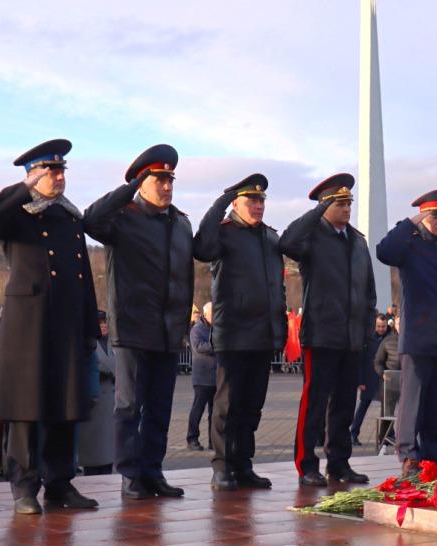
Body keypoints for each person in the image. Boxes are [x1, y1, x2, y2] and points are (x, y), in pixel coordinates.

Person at [0, 138, 100, 514]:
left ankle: (60, 484)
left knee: (65, 405)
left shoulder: (70, 216)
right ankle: (24, 487)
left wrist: (90, 326)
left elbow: (83, 276)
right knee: (26, 410)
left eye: (61, 171)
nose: (58, 178)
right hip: (29, 325)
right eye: (50, 171)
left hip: (67, 322)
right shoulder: (17, 214)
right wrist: (25, 187)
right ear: (33, 174)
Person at [84, 144, 192, 500]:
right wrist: (129, 187)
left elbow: (184, 276)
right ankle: (130, 476)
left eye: (169, 180)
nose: (166, 187)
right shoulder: (123, 217)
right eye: (158, 180)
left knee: (159, 407)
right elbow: (91, 220)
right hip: (132, 328)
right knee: (129, 407)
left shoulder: (179, 222)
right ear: (141, 182)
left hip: (168, 330)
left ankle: (153, 472)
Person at [281, 173, 376, 486]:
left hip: (351, 338)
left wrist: (365, 333)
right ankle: (306, 464)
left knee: (344, 405)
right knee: (315, 404)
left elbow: (368, 292)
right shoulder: (312, 238)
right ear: (325, 206)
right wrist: (315, 212)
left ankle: (339, 463)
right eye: (340, 203)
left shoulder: (358, 242)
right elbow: (288, 242)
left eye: (349, 202)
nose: (348, 208)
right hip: (321, 334)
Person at [193, 174, 287, 490]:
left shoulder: (271, 238)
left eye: (261, 201)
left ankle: (243, 465)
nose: (258, 206)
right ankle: (221, 467)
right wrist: (220, 201)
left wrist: (281, 329)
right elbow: (201, 247)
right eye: (251, 200)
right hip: (233, 335)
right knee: (226, 405)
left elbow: (279, 288)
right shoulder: (224, 233)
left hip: (263, 335)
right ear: (236, 203)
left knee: (251, 406)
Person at [376, 189, 437, 477]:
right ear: (424, 216)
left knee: (436, 402)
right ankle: (409, 455)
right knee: (413, 399)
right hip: (417, 335)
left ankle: (433, 455)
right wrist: (409, 224)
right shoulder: (409, 245)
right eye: (434, 215)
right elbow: (384, 251)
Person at [78, 311, 115, 475]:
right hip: (94, 401)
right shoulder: (86, 343)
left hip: (112, 402)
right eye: (100, 323)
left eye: (105, 322)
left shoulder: (113, 343)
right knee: (93, 449)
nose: (103, 325)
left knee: (108, 448)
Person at [350, 314, 389, 446]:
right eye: (378, 326)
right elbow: (360, 361)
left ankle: (387, 434)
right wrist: (359, 381)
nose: (381, 329)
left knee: (387, 408)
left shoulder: (390, 338)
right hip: (368, 379)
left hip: (384, 378)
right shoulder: (367, 339)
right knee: (363, 407)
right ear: (374, 325)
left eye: (383, 326)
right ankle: (353, 433)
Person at [187, 302, 216, 451]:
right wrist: (216, 345)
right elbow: (198, 347)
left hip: (216, 377)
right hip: (202, 377)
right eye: (213, 313)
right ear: (206, 314)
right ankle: (192, 438)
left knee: (215, 412)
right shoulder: (197, 330)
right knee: (198, 409)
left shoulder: (216, 329)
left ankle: (214, 440)